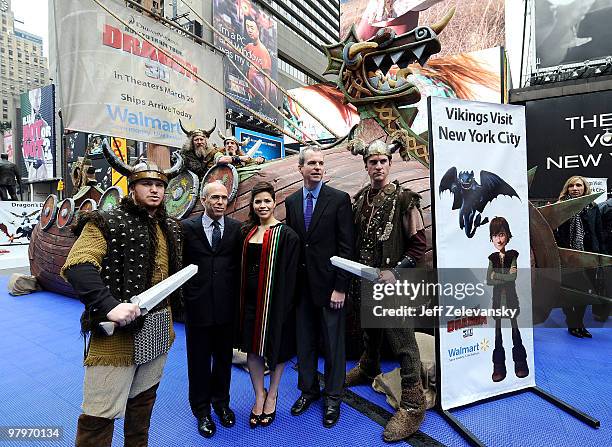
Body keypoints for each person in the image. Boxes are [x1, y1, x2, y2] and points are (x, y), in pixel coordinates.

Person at [61, 150, 184, 447]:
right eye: (146, 184)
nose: (155, 189)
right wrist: (110, 306)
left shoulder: (170, 226)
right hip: (116, 333)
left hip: (158, 327)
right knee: (98, 415)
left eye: (160, 185)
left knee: (143, 404)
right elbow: (78, 265)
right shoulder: (105, 221)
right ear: (132, 186)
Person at [343, 136, 428, 442]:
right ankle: (368, 367)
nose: (378, 167)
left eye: (382, 162)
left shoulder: (405, 199)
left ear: (390, 164)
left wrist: (395, 271)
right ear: (366, 166)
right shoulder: (361, 198)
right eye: (372, 162)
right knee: (371, 329)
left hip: (392, 281)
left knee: (402, 339)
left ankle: (413, 404)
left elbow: (419, 245)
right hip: (366, 278)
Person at [284, 146, 354, 428]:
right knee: (305, 343)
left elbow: (347, 247)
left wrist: (341, 287)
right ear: (300, 168)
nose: (317, 167)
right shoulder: (290, 202)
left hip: (330, 288)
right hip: (302, 288)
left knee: (334, 346)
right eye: (311, 163)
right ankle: (309, 390)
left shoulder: (339, 200)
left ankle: (333, 397)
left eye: (321, 163)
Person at [181, 181, 242, 438]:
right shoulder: (187, 228)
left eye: (224, 198)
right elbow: (180, 266)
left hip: (226, 309)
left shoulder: (237, 229)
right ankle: (201, 410)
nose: (220, 202)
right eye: (215, 197)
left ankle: (221, 403)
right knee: (198, 361)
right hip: (197, 309)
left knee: (224, 361)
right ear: (204, 200)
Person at [239, 181, 299, 428]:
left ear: (275, 203)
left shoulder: (287, 235)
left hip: (277, 303)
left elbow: (293, 275)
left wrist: (285, 307)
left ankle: (272, 394)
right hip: (250, 302)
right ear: (252, 205)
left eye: (266, 201)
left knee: (277, 349)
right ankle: (259, 394)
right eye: (258, 201)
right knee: (252, 350)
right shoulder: (247, 233)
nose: (262, 205)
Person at [554, 175, 605, 338]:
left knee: (586, 292)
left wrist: (600, 255)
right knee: (570, 293)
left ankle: (579, 323)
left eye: (578, 185)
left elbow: (598, 232)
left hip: (588, 256)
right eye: (571, 186)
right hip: (567, 258)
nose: (575, 188)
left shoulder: (593, 207)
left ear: (584, 188)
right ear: (567, 189)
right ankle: (573, 323)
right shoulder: (560, 206)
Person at [486, 217, 529, 383]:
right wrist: (503, 277)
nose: (499, 239)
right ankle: (498, 365)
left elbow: (513, 277)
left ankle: (520, 361)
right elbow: (488, 280)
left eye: (502, 234)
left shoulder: (512, 256)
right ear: (491, 238)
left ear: (508, 236)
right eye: (495, 235)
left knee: (515, 330)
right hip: (497, 300)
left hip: (511, 299)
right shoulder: (492, 258)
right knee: (497, 332)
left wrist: (496, 275)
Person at [243, 15, 272, 103]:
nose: (249, 30)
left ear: (258, 30)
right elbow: (238, 52)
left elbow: (267, 77)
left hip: (259, 96)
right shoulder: (249, 46)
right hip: (249, 92)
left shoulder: (263, 51)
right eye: (247, 27)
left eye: (252, 27)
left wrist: (266, 98)